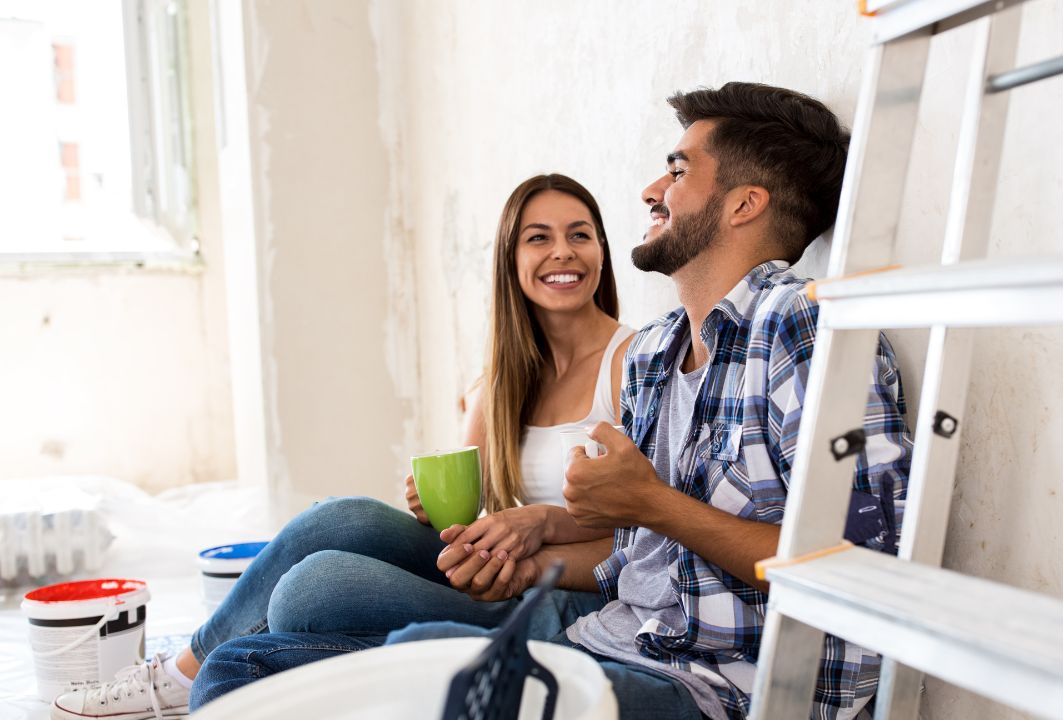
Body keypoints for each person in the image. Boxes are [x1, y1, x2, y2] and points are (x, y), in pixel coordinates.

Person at [188, 82, 913, 720]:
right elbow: (634, 561)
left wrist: (648, 503)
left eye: (678, 170)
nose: (651, 191)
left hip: (720, 690)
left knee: (420, 652)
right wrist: (536, 535)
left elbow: (859, 569)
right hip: (617, 639)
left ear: (744, 205)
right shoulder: (661, 354)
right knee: (241, 667)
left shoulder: (804, 330)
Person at [49, 173, 634, 720]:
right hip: (498, 576)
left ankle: (219, 670)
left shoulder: (632, 365)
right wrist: (444, 515)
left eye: (579, 235)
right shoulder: (500, 383)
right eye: (540, 238)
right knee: (338, 518)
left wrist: (535, 543)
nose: (563, 252)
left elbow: (653, 540)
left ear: (601, 251)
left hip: (569, 601)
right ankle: (185, 673)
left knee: (309, 593)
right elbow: (475, 519)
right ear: (511, 261)